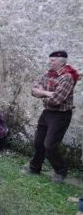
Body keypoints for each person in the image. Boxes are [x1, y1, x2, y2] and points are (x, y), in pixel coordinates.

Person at [23, 51, 80, 182]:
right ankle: (34, 168)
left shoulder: (67, 77)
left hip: (60, 115)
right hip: (47, 112)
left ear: (61, 62)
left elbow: (56, 100)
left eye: (53, 60)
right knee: (38, 142)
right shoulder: (48, 74)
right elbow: (33, 90)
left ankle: (61, 171)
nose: (49, 62)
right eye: (50, 60)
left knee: (50, 145)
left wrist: (42, 92)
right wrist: (48, 93)